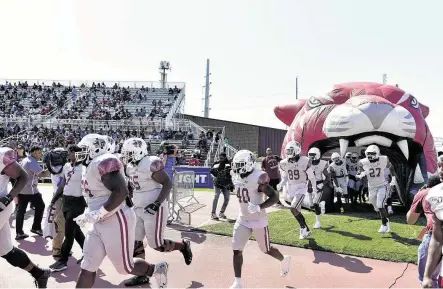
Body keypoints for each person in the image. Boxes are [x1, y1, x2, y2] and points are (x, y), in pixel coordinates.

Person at [73, 134, 169, 288]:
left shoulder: (103, 162)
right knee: (88, 265)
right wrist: (89, 212)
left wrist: (98, 213)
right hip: (99, 221)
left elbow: (120, 192)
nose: (79, 152)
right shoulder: (88, 165)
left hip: (117, 219)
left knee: (125, 268)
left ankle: (156, 269)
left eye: (84, 149)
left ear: (95, 148)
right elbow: (95, 194)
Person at [121, 138, 192, 287]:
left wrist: (156, 203)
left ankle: (183, 246)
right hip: (139, 207)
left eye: (129, 153)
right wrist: (128, 198)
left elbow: (167, 183)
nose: (126, 156)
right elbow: (132, 185)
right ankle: (142, 276)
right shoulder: (131, 166)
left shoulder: (150, 163)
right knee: (135, 242)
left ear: (138, 151)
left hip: (154, 208)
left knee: (157, 245)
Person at [229, 150, 291, 288]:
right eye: (236, 165)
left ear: (250, 164)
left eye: (241, 165)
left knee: (266, 249)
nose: (238, 168)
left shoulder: (258, 177)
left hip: (258, 220)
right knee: (236, 249)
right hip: (243, 218)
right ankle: (238, 282)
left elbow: (274, 197)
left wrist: (259, 207)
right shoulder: (235, 175)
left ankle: (284, 259)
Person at [0, 147, 51, 287]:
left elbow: (23, 176)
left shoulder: (1, 156)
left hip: (0, 208)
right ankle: (39, 274)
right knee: (6, 251)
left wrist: (9, 197)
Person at [48, 145, 87, 272]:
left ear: (77, 154)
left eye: (70, 153)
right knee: (76, 231)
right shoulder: (67, 166)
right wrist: (54, 199)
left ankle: (63, 260)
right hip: (66, 200)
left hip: (78, 202)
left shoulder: (84, 168)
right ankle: (88, 253)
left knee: (69, 233)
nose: (68, 155)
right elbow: (64, 184)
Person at [277, 141, 317, 239]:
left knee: (293, 207)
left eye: (291, 150)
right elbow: (285, 177)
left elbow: (311, 177)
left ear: (297, 150)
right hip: (291, 188)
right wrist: (281, 184)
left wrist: (315, 189)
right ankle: (306, 229)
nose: (289, 152)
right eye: (288, 150)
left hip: (301, 187)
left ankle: (302, 228)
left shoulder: (305, 160)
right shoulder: (284, 163)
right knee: (296, 211)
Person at [407, 175, 441, 287]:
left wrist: (418, 196)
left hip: (435, 236)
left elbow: (410, 220)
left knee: (428, 279)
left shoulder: (424, 193)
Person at [356, 145, 392, 233]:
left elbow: (389, 166)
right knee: (374, 204)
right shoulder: (363, 161)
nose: (370, 155)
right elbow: (360, 171)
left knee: (380, 205)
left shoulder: (383, 159)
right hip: (371, 187)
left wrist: (393, 178)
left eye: (372, 153)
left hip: (382, 185)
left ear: (377, 153)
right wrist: (360, 175)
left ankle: (384, 224)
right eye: (368, 153)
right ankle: (385, 219)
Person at [16, 145, 47, 240]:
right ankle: (36, 227)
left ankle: (19, 232)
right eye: (39, 152)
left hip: (21, 189)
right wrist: (53, 168)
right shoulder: (31, 162)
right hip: (30, 190)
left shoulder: (25, 160)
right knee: (41, 206)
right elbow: (42, 175)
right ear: (33, 153)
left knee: (21, 211)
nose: (40, 154)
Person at [423, 155, 443, 288]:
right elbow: (437, 238)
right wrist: (427, 275)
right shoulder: (435, 194)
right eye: (440, 165)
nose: (441, 170)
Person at [307, 147, 329, 229]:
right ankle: (321, 203)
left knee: (315, 203)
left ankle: (318, 222)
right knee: (311, 206)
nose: (311, 157)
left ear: (317, 155)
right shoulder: (308, 163)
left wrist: (322, 184)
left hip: (319, 184)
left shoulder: (323, 163)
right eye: (310, 155)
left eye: (313, 155)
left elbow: (328, 177)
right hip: (310, 183)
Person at [210, 152, 233, 220]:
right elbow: (211, 172)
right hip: (218, 183)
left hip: (226, 184)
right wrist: (213, 177)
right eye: (220, 158)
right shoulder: (216, 163)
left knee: (227, 199)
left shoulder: (229, 164)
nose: (220, 159)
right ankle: (213, 213)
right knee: (216, 196)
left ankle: (221, 213)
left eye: (222, 158)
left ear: (225, 157)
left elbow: (232, 172)